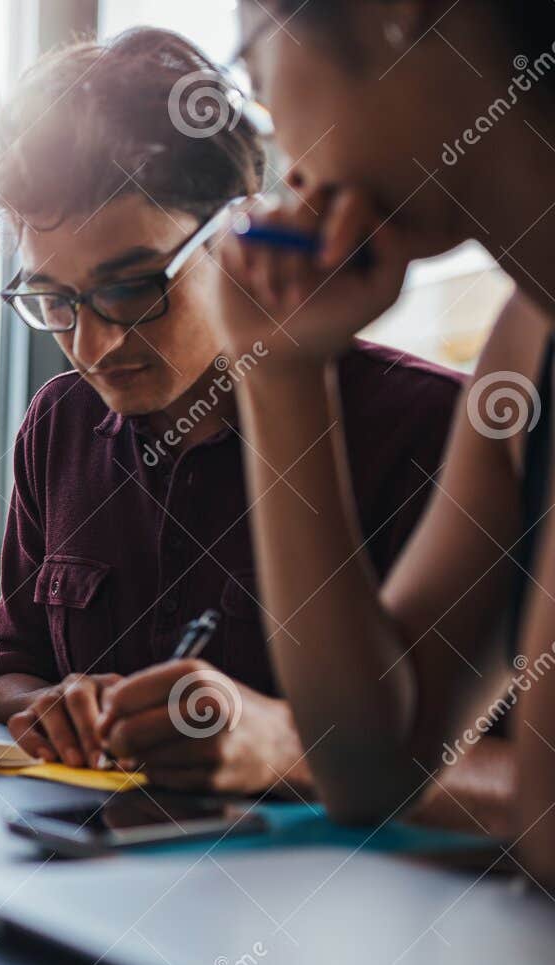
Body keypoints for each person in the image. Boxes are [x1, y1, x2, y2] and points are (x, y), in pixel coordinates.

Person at [0, 27, 510, 829]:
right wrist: (54, 708)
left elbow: (522, 784)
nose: (93, 345)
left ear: (239, 227)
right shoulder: (60, 426)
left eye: (134, 288)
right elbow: (7, 666)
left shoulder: (442, 429)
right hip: (91, 883)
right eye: (54, 301)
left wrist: (284, 751)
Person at [203, 1, 555, 876]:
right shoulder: (523, 350)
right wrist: (279, 371)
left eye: (254, 67)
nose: (277, 136)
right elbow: (370, 767)